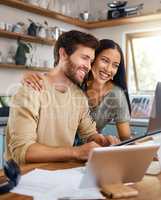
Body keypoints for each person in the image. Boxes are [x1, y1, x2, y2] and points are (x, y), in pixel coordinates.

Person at [5, 30, 119, 164]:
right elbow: (22, 151)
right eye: (84, 58)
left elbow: (89, 133)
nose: (88, 66)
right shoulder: (32, 89)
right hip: (26, 178)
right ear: (63, 54)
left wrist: (102, 140)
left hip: (60, 175)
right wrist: (77, 152)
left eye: (91, 60)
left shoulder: (78, 96)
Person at [23, 39, 131, 141]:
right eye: (104, 60)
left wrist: (108, 142)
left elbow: (125, 138)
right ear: (92, 59)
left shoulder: (116, 96)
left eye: (115, 65)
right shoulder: (75, 80)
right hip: (54, 148)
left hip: (87, 151)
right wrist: (27, 76)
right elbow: (53, 77)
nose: (108, 69)